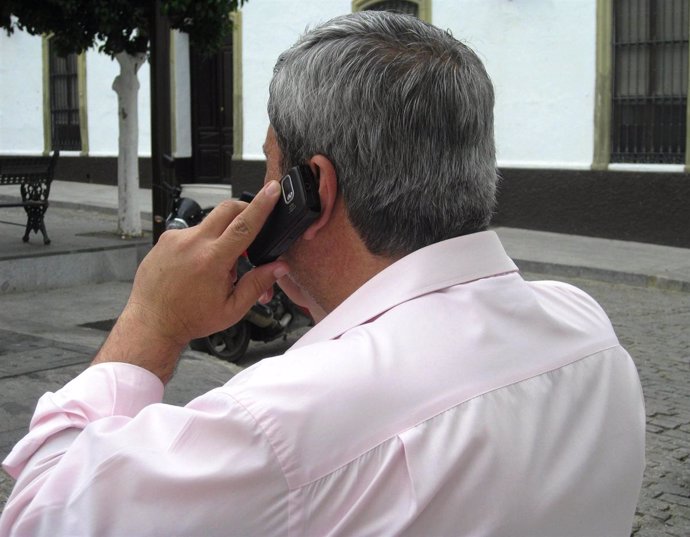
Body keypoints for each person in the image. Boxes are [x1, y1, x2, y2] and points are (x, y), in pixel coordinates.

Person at [0, 11, 644, 537]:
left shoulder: (276, 423)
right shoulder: (588, 332)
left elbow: (39, 515)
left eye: (270, 171)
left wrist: (151, 320)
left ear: (315, 191)